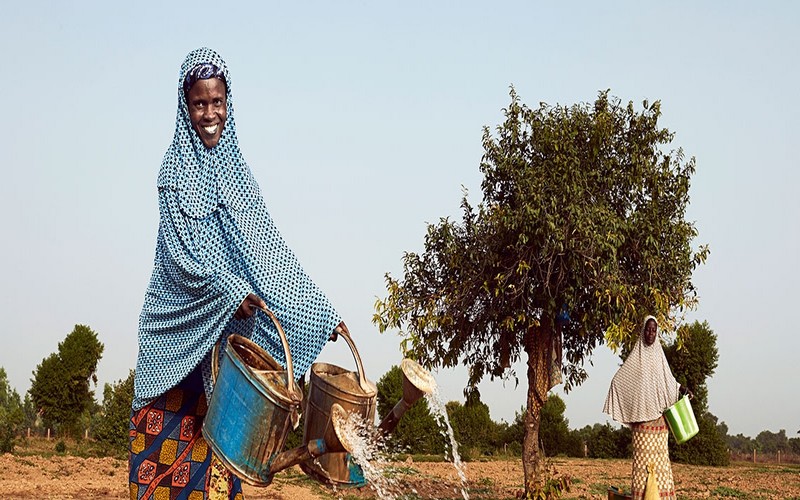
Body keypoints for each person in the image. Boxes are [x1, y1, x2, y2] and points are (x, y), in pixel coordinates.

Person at [128, 47, 348, 500]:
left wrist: (320, 313)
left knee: (222, 458)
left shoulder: (238, 173)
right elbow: (183, 258)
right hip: (176, 336)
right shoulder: (172, 174)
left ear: (230, 103)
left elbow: (270, 251)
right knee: (161, 468)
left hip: (224, 341)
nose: (209, 114)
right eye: (199, 103)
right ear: (184, 106)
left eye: (217, 102)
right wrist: (232, 291)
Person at [603, 315, 689, 500]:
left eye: (654, 330)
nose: (650, 333)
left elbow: (669, 381)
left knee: (661, 465)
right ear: (643, 331)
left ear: (657, 333)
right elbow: (618, 381)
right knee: (642, 468)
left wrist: (682, 388)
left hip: (660, 421)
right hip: (641, 424)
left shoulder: (660, 357)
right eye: (648, 330)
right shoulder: (635, 359)